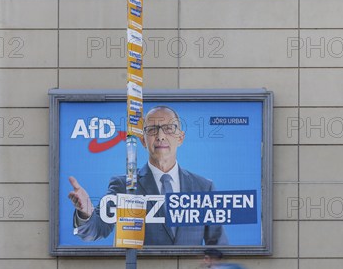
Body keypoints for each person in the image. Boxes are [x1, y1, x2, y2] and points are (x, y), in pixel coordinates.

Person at [68, 105, 228, 245]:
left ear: (180, 138)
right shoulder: (123, 185)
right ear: (143, 141)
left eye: (169, 128)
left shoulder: (204, 188)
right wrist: (86, 211)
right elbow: (96, 230)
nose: (160, 136)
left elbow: (218, 246)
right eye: (152, 129)